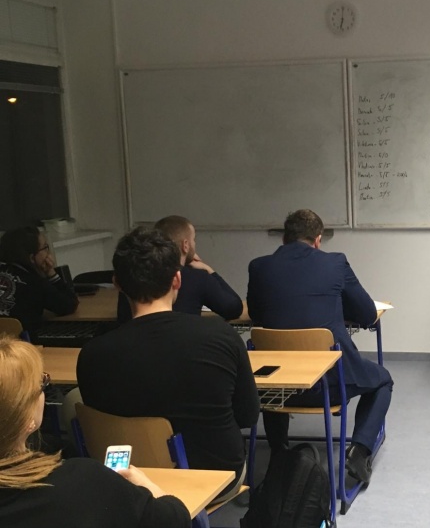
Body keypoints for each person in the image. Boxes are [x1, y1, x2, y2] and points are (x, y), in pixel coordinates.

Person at [78, 227, 259, 501]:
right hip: (215, 478)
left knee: (72, 401)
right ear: (177, 279)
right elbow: (247, 416)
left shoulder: (92, 354)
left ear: (117, 284)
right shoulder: (221, 336)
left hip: (128, 481)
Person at [247, 209, 392, 484]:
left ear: (284, 239)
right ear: (318, 240)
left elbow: (257, 315)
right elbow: (366, 314)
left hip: (274, 390)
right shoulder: (335, 263)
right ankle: (359, 451)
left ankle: (278, 451)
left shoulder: (259, 267)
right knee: (383, 379)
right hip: (331, 385)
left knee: (274, 363)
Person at [0, 335, 190, 527]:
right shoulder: (84, 483)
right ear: (27, 420)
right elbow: (175, 520)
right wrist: (147, 487)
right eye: (41, 385)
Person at [117, 215, 243, 322]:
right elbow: (234, 309)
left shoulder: (134, 276)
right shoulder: (198, 278)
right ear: (185, 245)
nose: (194, 244)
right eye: (193, 240)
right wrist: (209, 270)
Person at [0, 226, 78, 341]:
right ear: (32, 258)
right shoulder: (33, 281)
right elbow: (69, 305)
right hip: (20, 347)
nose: (48, 253)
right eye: (45, 248)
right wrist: (51, 273)